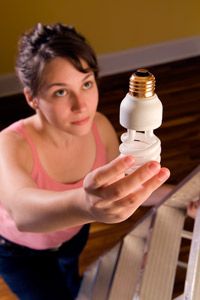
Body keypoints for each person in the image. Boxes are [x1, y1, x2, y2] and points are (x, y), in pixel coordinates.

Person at [0, 23, 170, 300]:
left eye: (87, 84)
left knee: (70, 282)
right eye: (60, 91)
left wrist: (180, 195)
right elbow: (22, 213)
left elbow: (127, 183)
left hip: (72, 236)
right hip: (21, 255)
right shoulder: (10, 144)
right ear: (32, 97)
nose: (82, 106)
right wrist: (87, 205)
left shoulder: (99, 126)